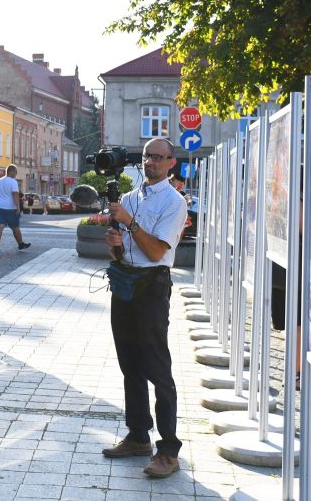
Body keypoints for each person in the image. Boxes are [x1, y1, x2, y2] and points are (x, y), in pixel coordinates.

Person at [101, 137, 188, 478]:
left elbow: (155, 253)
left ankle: (168, 448)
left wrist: (130, 223)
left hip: (152, 285)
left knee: (156, 365)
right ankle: (138, 435)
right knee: (129, 363)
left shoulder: (173, 201)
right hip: (125, 280)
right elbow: (123, 252)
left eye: (157, 157)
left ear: (171, 163)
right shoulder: (129, 197)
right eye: (146, 156)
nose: (149, 161)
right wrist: (115, 246)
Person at [0, 164, 30, 253]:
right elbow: (15, 195)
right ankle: (20, 245)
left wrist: (1, 197)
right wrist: (18, 207)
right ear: (12, 172)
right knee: (15, 227)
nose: (16, 174)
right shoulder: (13, 182)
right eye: (16, 172)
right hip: (10, 208)